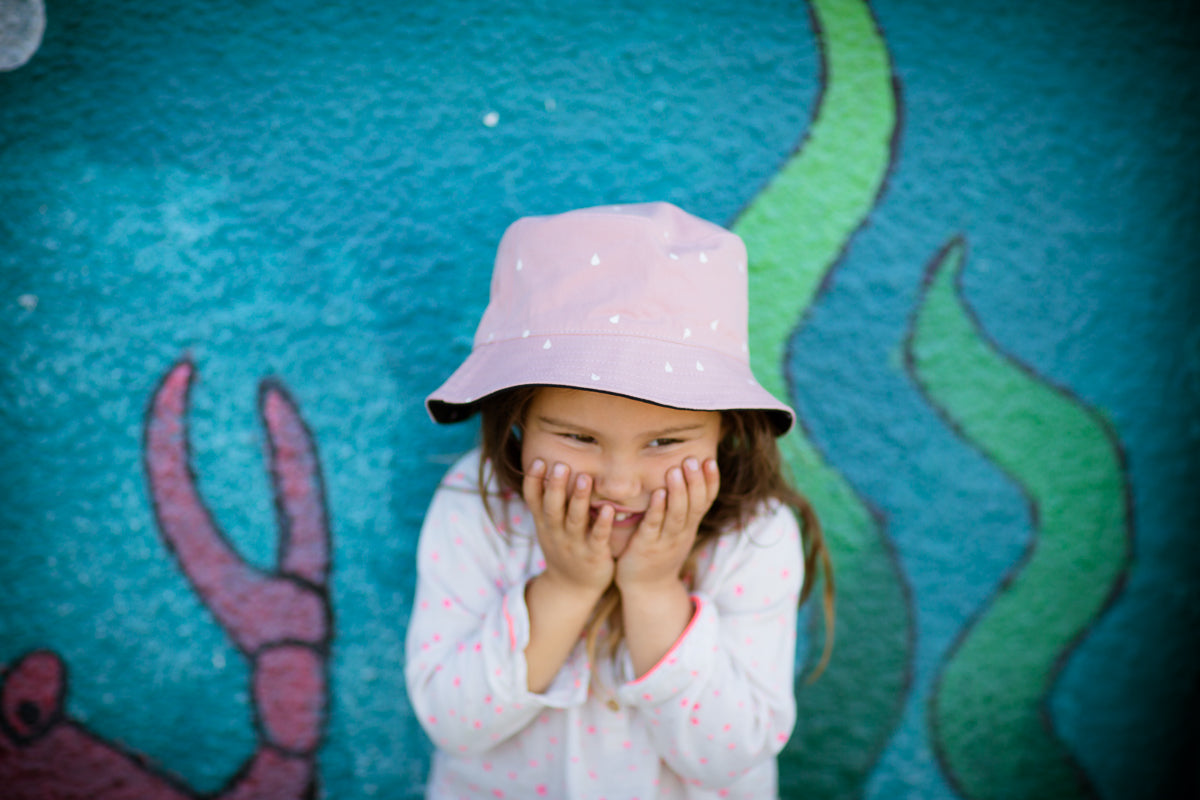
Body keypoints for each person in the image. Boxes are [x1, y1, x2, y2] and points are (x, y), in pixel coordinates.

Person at [406, 202, 834, 800]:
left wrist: (655, 590)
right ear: (517, 418)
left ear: (728, 428)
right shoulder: (475, 507)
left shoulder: (754, 535)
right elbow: (453, 723)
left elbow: (729, 755)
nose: (622, 484)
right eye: (578, 438)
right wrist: (567, 587)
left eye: (664, 442)